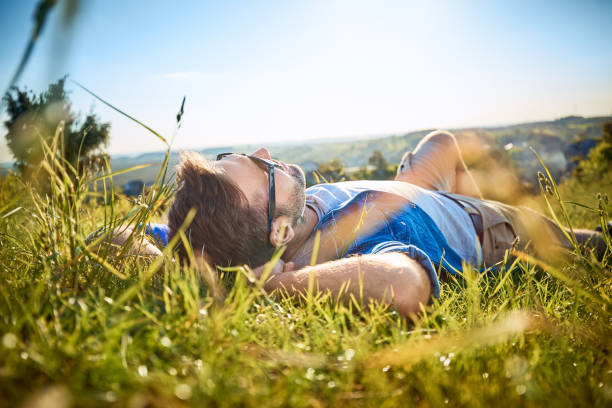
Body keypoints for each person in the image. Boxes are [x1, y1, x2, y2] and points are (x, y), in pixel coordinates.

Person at [117, 131, 606, 319]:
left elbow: (115, 237)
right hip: (482, 226)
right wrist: (269, 289)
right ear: (279, 234)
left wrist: (178, 271)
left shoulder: (215, 238)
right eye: (262, 169)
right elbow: (401, 285)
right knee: (592, 246)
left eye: (240, 156)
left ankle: (455, 197)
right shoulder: (342, 253)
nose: (267, 152)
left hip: (415, 189)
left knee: (442, 141)